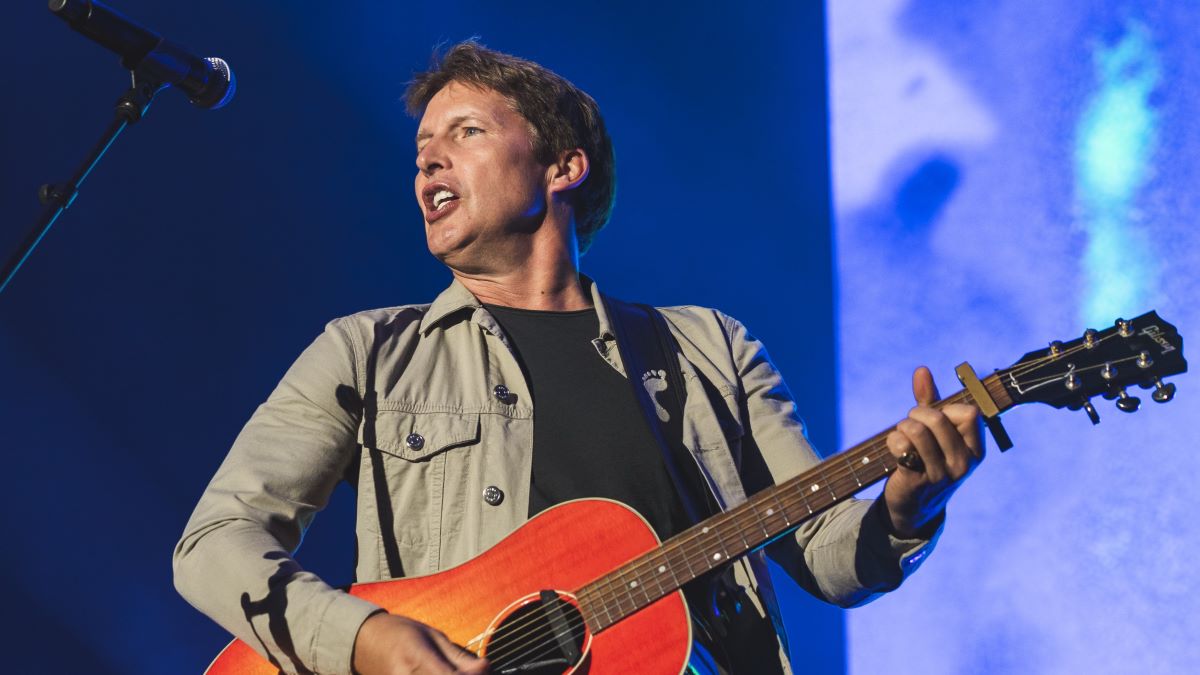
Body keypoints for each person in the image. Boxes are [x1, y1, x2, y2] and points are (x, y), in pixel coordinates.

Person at [174, 41, 982, 675]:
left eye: (467, 132)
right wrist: (369, 639)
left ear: (563, 167)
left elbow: (828, 559)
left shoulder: (713, 349)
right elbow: (214, 544)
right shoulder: (369, 351)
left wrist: (909, 507)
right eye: (421, 147)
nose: (427, 161)